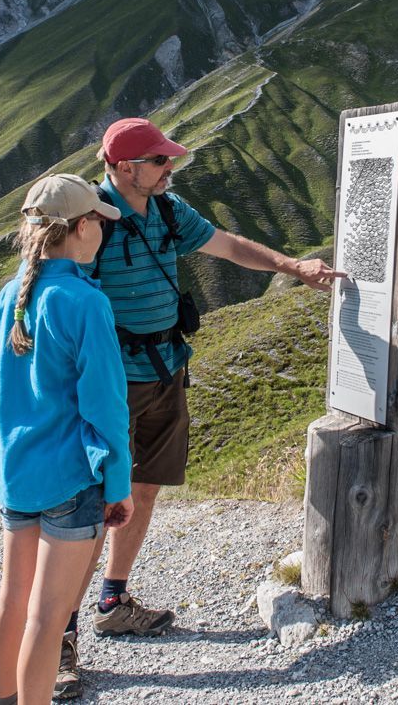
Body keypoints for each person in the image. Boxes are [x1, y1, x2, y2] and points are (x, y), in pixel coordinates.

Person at [73, 117, 344, 647]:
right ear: (125, 168)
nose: (169, 167)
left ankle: (113, 600)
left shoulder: (168, 209)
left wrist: (293, 267)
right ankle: (61, 635)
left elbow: (230, 246)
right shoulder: (91, 220)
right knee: (97, 503)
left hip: (166, 370)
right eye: (159, 161)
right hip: (111, 383)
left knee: (144, 488)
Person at [0, 174, 135, 703]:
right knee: (49, 617)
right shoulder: (85, 302)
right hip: (70, 477)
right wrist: (118, 484)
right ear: (80, 228)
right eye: (99, 219)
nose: (104, 229)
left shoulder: (10, 295)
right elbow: (106, 407)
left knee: (12, 601)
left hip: (16, 472)